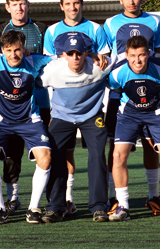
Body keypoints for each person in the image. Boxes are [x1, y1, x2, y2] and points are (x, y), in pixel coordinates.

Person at [0, 30, 53, 224]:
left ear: (24, 49)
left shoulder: (35, 61)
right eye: (8, 50)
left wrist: (91, 56)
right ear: (2, 50)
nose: (13, 55)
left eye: (17, 50)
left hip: (29, 120)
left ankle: (33, 209)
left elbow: (59, 60)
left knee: (46, 158)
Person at [103, 0, 160, 216]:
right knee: (117, 145)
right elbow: (107, 57)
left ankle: (154, 196)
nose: (132, 2)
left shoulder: (155, 22)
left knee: (152, 144)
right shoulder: (110, 23)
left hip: (151, 93)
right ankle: (116, 198)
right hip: (120, 92)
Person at [0, 0, 52, 216]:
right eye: (14, 4)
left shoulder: (42, 29)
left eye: (22, 3)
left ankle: (49, 201)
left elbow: (53, 59)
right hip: (7, 104)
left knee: (45, 152)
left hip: (37, 102)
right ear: (8, 7)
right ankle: (12, 197)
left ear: (28, 4)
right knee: (12, 153)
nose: (19, 8)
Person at [106, 36, 160, 221]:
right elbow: (116, 88)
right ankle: (123, 205)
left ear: (148, 54)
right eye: (132, 56)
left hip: (158, 113)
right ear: (126, 55)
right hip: (129, 114)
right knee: (118, 155)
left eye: (141, 55)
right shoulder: (117, 73)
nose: (137, 60)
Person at [39, 32, 109, 222]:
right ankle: (56, 206)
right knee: (55, 154)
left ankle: (99, 206)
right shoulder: (52, 70)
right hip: (62, 117)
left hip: (91, 116)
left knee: (97, 154)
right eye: (70, 53)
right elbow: (32, 79)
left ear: (86, 53)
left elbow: (127, 58)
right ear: (63, 54)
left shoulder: (100, 65)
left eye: (79, 53)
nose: (75, 57)